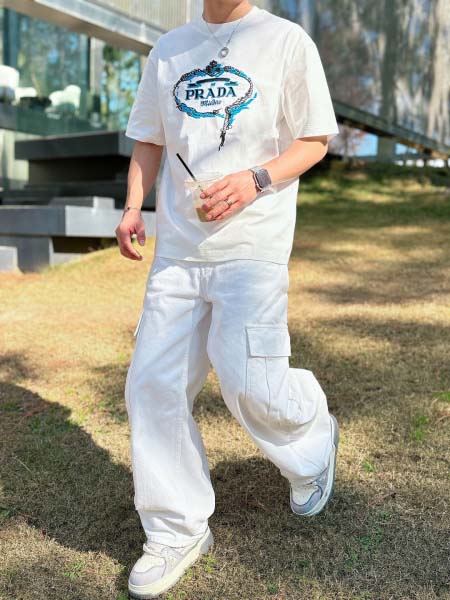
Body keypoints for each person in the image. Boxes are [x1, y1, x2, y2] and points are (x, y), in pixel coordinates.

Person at [117, 1, 341, 598]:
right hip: (178, 254)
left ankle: (313, 437)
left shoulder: (286, 40)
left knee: (251, 384)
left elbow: (315, 140)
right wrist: (134, 206)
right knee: (152, 385)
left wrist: (255, 179)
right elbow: (149, 140)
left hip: (253, 246)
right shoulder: (168, 50)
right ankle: (176, 529)